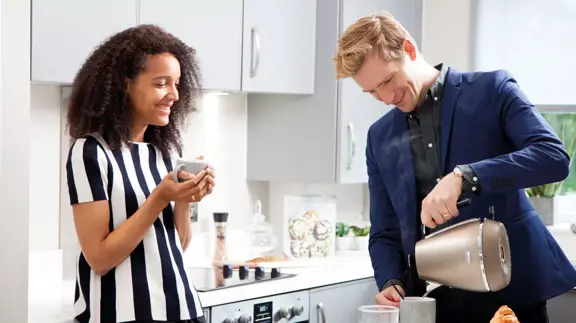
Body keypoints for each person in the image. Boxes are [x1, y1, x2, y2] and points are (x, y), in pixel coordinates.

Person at [333, 11, 576, 323]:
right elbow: (385, 231)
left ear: (409, 50)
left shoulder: (493, 90)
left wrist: (466, 176)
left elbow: (553, 157)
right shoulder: (379, 136)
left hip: (512, 297)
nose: (386, 97)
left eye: (388, 80)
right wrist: (390, 281)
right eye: (371, 91)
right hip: (435, 304)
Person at [65, 24, 215, 323]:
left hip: (180, 310)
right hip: (121, 315)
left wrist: (185, 197)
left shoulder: (163, 153)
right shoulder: (90, 153)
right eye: (161, 83)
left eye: (177, 84)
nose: (173, 94)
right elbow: (99, 258)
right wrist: (160, 197)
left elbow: (177, 246)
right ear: (125, 85)